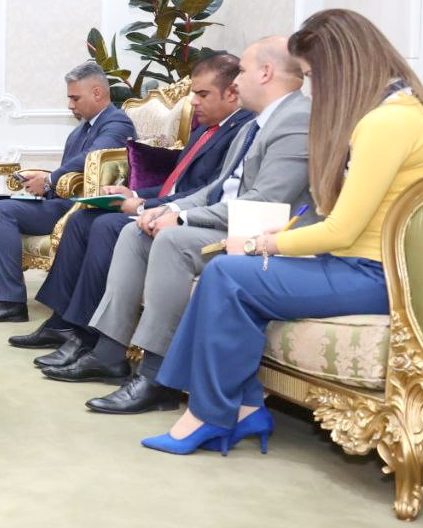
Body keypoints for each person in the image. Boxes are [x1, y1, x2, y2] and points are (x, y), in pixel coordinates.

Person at [142, 9, 423, 455]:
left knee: (226, 273)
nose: (312, 88)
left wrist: (259, 243)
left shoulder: (386, 123)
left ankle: (209, 415)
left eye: (312, 75)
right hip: (363, 267)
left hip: (373, 275)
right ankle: (245, 407)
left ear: (341, 65)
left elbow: (340, 230)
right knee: (231, 275)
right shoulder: (395, 113)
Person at [44, 37, 316, 411]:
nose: (236, 81)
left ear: (266, 73)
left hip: (266, 236)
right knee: (134, 232)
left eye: (242, 71)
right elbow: (214, 191)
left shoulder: (296, 119)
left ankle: (157, 376)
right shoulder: (257, 124)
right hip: (230, 223)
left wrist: (181, 217)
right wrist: (162, 210)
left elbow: (264, 203)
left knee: (171, 241)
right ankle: (109, 352)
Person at [22, 53, 253, 383]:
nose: (193, 102)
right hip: (167, 204)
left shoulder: (241, 130)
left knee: (105, 226)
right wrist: (133, 193)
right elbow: (177, 181)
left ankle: (87, 337)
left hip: (187, 216)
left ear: (232, 93)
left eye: (202, 94)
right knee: (84, 219)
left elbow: (206, 192)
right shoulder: (206, 128)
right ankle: (63, 322)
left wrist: (145, 204)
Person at [0, 61, 135, 322]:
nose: (70, 105)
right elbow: (70, 170)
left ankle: (10, 302)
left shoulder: (117, 123)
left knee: (3, 211)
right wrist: (41, 181)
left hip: (80, 207)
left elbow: (92, 157)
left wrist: (48, 180)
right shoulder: (81, 130)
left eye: (75, 98)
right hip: (58, 200)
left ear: (97, 93)